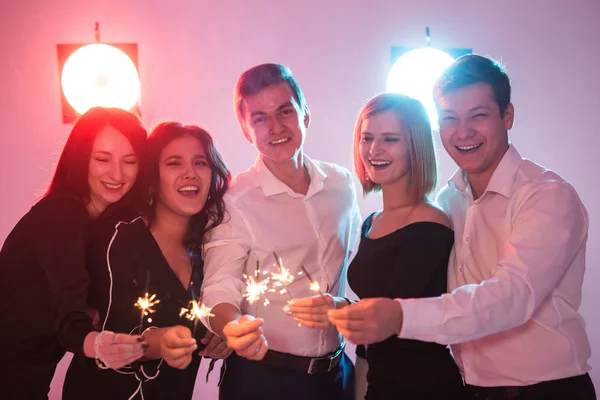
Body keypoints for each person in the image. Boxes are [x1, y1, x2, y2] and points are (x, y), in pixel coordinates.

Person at [329, 54, 596, 399]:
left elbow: (512, 297)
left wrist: (399, 316)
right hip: (467, 389)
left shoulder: (546, 196)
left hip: (546, 390)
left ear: (507, 116)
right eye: (450, 118)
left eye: (479, 116)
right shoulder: (450, 200)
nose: (463, 132)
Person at [200, 63, 361, 400]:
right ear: (246, 130)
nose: (275, 127)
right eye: (260, 118)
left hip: (337, 376)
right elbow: (217, 289)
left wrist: (347, 307)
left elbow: (357, 268)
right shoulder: (234, 202)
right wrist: (233, 326)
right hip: (264, 381)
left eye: (285, 111)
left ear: (305, 115)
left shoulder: (343, 185)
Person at [62, 122, 232, 399]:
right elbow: (116, 331)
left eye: (200, 162)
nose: (190, 173)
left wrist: (221, 334)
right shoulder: (119, 237)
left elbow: (209, 319)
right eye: (174, 163)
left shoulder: (209, 247)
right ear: (152, 178)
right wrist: (162, 341)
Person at [0, 107, 150, 399]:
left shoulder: (109, 228)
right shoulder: (62, 212)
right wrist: (97, 344)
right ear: (81, 158)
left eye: (129, 161)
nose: (117, 174)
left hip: (27, 378)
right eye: (102, 159)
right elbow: (70, 304)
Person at [328, 93, 465, 399]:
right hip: (379, 384)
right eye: (367, 138)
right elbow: (374, 330)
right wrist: (338, 308)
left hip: (426, 388)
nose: (374, 150)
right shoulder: (371, 222)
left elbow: (398, 322)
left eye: (390, 139)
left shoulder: (431, 223)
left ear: (415, 147)